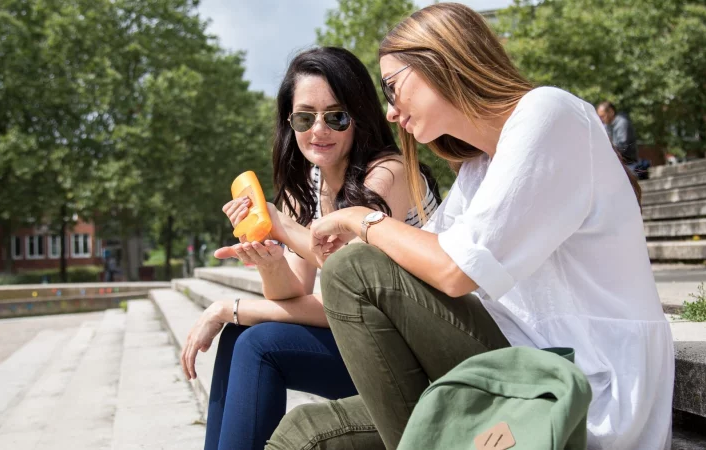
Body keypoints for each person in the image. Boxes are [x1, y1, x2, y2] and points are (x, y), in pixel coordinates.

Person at [267, 4, 674, 450]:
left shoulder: (548, 113)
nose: (389, 111)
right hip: (504, 368)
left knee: (353, 270)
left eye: (392, 87)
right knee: (301, 433)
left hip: (576, 389)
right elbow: (419, 264)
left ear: (441, 62)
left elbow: (453, 271)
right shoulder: (480, 167)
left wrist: (358, 219)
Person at [179, 47, 440, 450]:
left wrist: (229, 305)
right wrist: (269, 259)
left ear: (360, 117)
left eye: (335, 117)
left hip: (414, 353)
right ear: (290, 122)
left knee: (256, 342)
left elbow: (345, 282)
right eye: (304, 117)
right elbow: (292, 295)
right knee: (240, 336)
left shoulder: (389, 173)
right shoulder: (306, 187)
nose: (318, 130)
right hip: (364, 340)